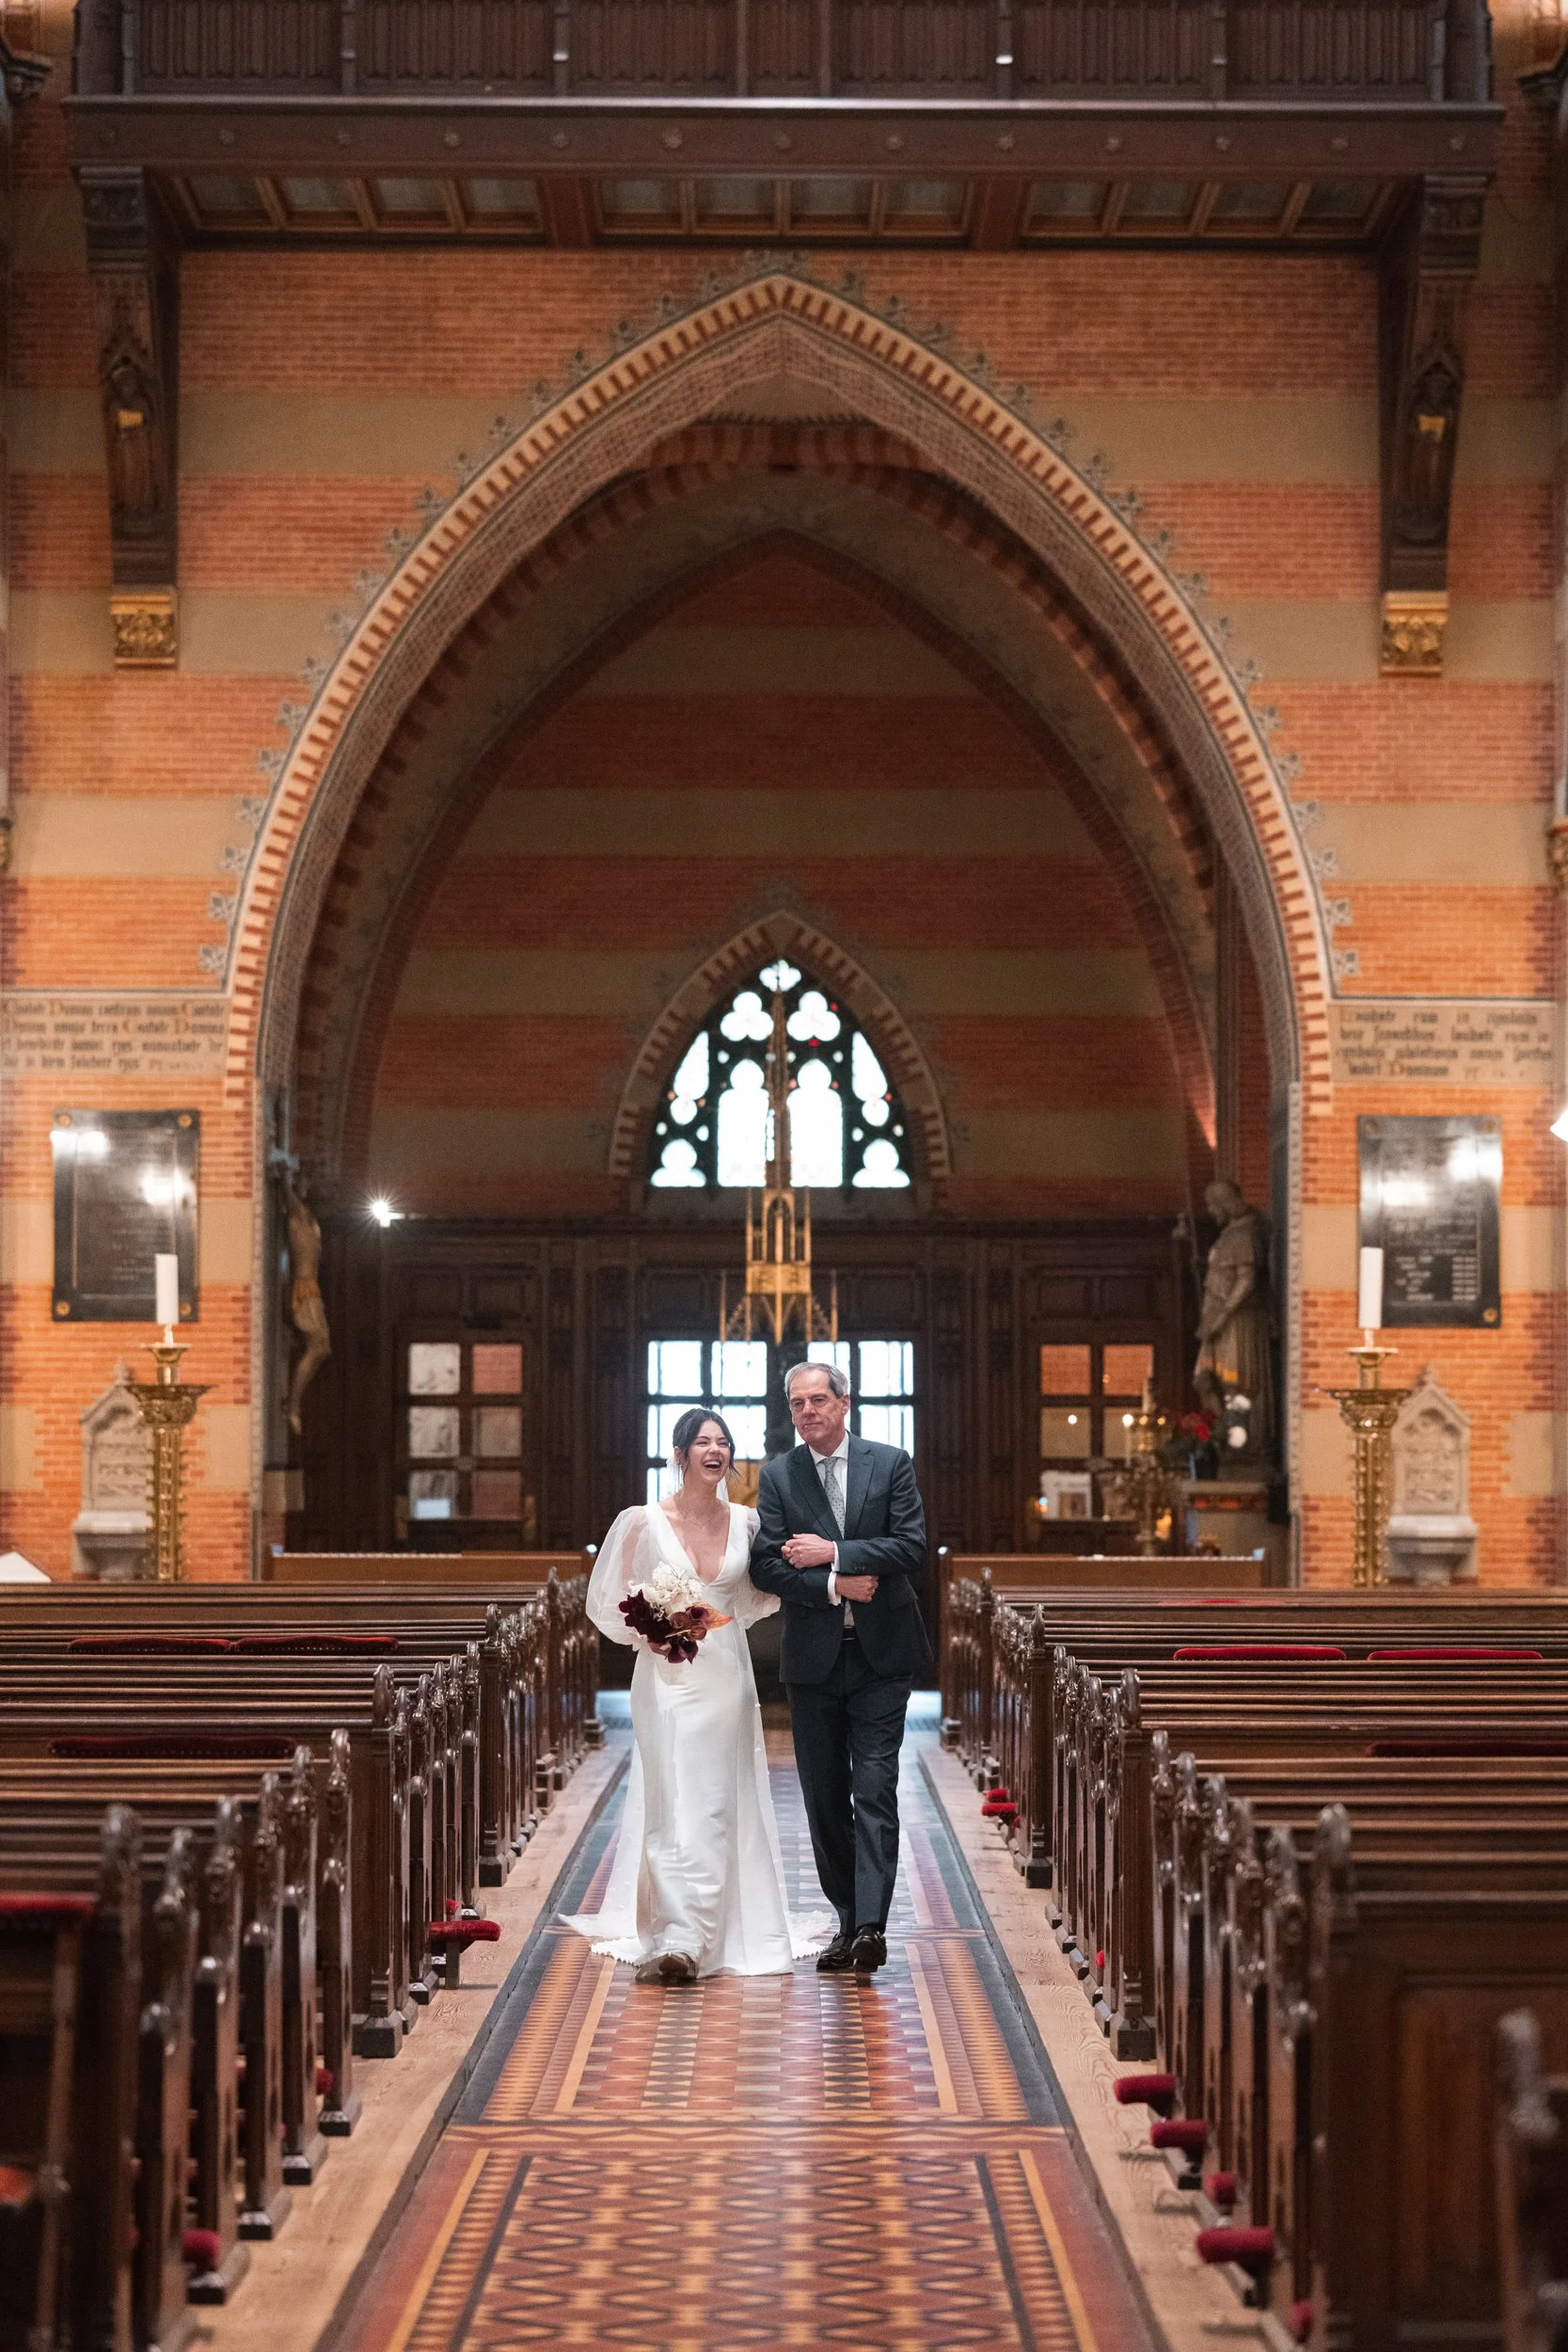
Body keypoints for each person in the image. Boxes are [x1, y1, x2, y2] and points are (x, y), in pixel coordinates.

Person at [562, 1408, 832, 1984]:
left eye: (723, 1442)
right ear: (680, 1453)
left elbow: (765, 1591)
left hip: (724, 1673)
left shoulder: (749, 1524)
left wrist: (831, 1574)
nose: (715, 1450)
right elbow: (609, 1601)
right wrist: (653, 1630)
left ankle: (699, 1936)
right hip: (664, 1677)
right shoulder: (642, 1522)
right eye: (702, 1442)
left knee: (714, 1797)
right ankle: (676, 1933)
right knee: (673, 1795)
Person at [750, 1361, 932, 1977]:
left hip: (883, 1657)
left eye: (818, 1400)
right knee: (824, 1799)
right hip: (813, 1661)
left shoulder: (889, 1463)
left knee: (873, 1789)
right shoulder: (778, 1476)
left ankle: (871, 1928)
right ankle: (847, 1919)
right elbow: (768, 1567)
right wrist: (833, 1584)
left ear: (844, 1403)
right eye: (796, 1403)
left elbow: (911, 1545)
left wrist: (834, 1552)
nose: (807, 1412)